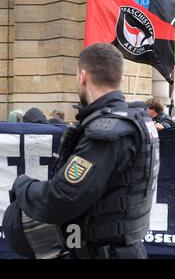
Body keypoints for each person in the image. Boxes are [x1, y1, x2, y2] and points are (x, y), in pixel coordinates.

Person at [3, 43, 158, 259]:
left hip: (105, 253)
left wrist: (23, 186)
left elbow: (63, 197)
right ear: (120, 79)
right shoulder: (136, 121)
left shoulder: (108, 131)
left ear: (83, 77)